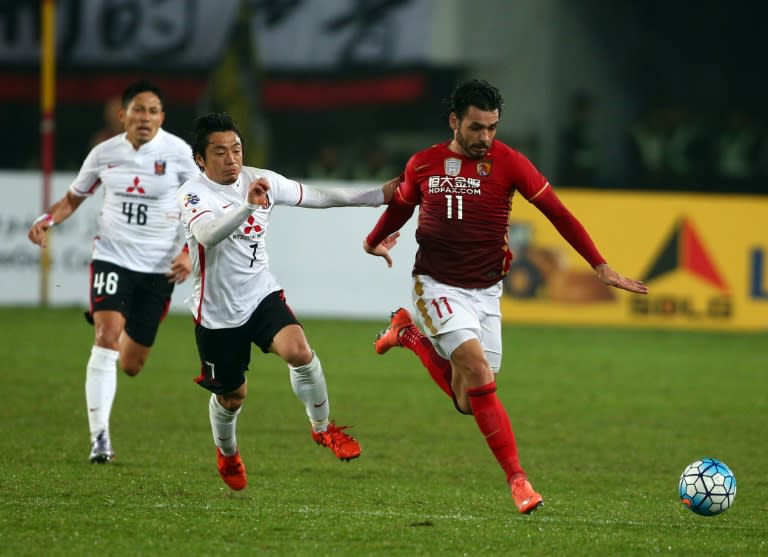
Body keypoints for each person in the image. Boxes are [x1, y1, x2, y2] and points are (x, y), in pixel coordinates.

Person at [362, 79, 648, 514]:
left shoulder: (510, 163)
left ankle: (407, 334)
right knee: (477, 370)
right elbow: (402, 204)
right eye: (476, 128)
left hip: (485, 293)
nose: (485, 138)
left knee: (468, 399)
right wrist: (373, 240)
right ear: (455, 121)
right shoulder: (424, 164)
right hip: (435, 284)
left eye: (492, 128)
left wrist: (600, 265)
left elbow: (559, 213)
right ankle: (519, 481)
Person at [178, 112, 398, 491]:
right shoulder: (193, 193)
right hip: (216, 312)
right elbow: (207, 234)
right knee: (233, 396)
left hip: (260, 294)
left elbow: (319, 196)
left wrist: (378, 196)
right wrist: (247, 207)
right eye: (220, 153)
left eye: (236, 150)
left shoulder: (261, 180)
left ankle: (323, 428)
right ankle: (227, 452)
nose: (232, 159)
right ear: (200, 159)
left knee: (299, 351)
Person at [27, 80, 200, 464]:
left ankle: (116, 327)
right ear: (122, 115)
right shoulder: (105, 153)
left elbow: (202, 206)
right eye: (138, 109)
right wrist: (46, 219)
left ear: (162, 118)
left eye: (153, 111)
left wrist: (189, 251)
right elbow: (74, 197)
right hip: (112, 256)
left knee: (132, 365)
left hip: (159, 269)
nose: (145, 117)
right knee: (105, 336)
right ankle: (99, 438)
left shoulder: (179, 154)